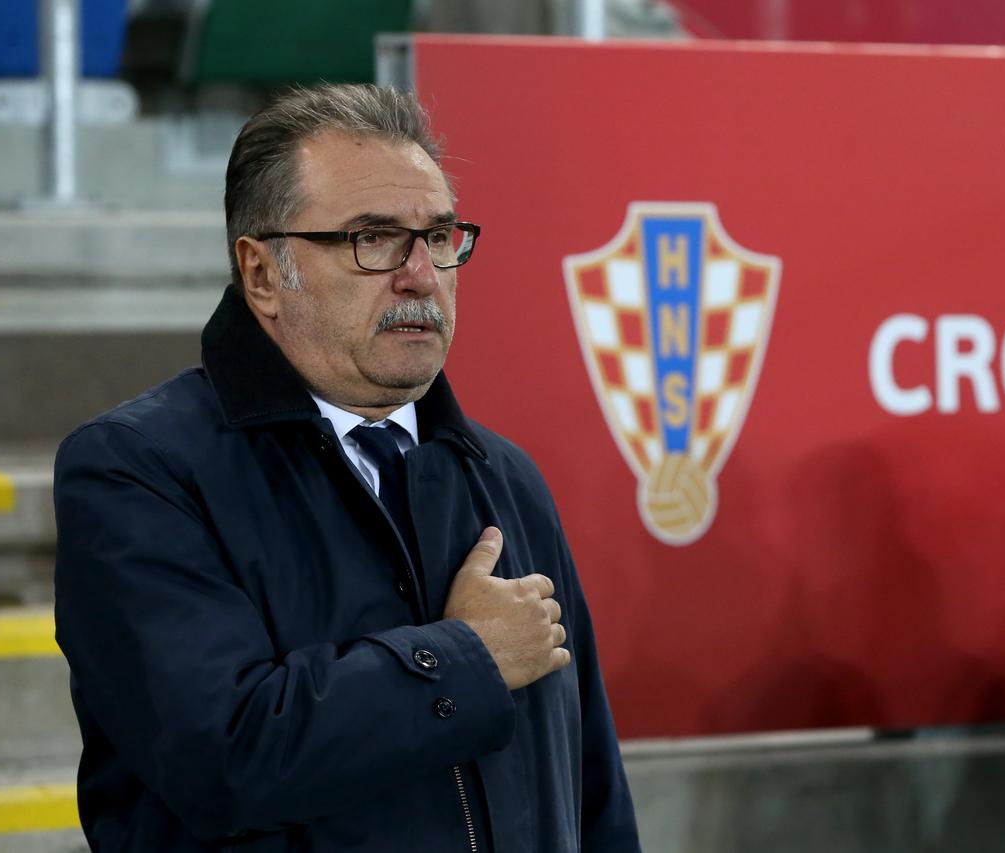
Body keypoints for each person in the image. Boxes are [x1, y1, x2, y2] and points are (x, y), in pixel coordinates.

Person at [53, 84, 641, 852]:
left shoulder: (505, 477)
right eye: (373, 239)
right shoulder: (139, 471)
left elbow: (592, 792)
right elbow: (221, 758)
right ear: (262, 272)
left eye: (437, 236)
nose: (420, 275)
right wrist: (466, 659)